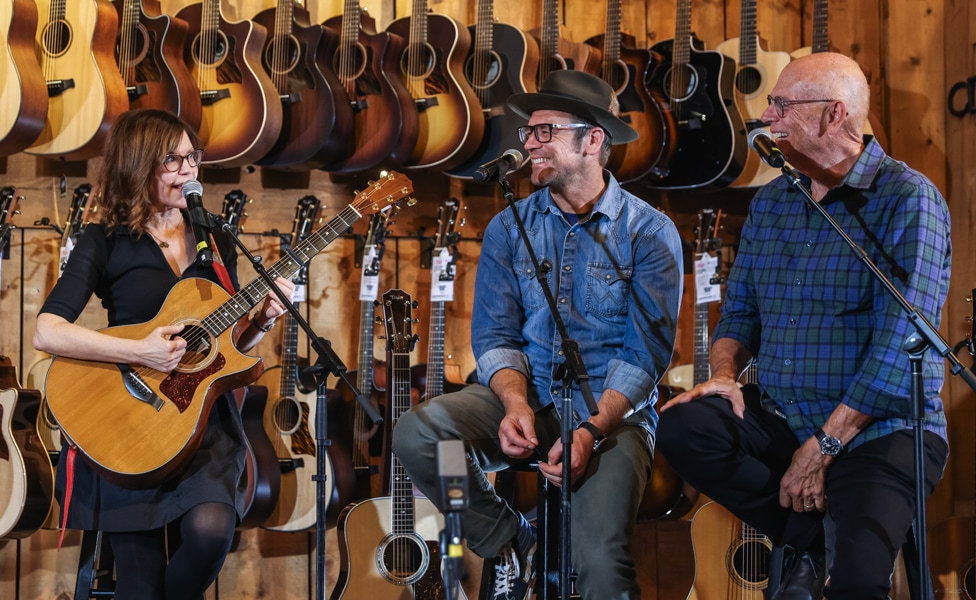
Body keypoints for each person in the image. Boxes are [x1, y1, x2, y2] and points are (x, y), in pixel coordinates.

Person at [657, 52, 951, 600]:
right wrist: (723, 374)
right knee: (684, 426)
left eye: (781, 104)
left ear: (833, 115)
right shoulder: (773, 203)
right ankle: (807, 534)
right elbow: (740, 310)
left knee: (858, 583)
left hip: (878, 433)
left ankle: (811, 538)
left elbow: (897, 347)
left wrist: (822, 448)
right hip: (784, 419)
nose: (767, 117)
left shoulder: (908, 199)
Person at [392, 70, 684, 600]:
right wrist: (514, 403)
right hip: (527, 398)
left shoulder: (649, 231)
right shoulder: (509, 225)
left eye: (544, 132)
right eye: (528, 132)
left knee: (598, 568)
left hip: (608, 417)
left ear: (592, 140)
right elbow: (497, 336)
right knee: (420, 435)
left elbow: (645, 355)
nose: (528, 143)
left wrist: (590, 432)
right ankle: (508, 540)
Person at [32, 108, 295, 600]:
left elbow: (229, 345)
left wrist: (261, 320)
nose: (188, 170)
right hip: (131, 419)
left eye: (192, 157)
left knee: (212, 532)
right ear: (138, 164)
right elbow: (47, 331)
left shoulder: (214, 239)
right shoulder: (104, 240)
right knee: (138, 583)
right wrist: (140, 351)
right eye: (172, 160)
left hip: (201, 420)